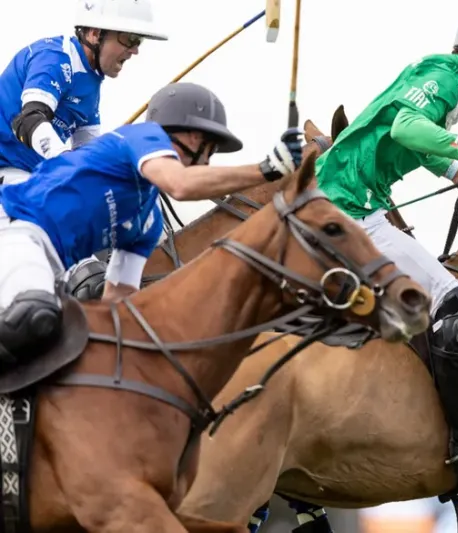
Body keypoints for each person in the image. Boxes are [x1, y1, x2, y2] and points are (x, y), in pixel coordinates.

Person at [313, 3, 458, 476]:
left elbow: (413, 140)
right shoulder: (442, 81)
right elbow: (406, 127)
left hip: (355, 200)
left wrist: (456, 169)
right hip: (349, 206)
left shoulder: (446, 82)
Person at [0, 81, 304, 367]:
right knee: (35, 318)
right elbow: (181, 184)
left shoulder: (147, 223)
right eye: (210, 148)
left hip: (53, 269)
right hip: (13, 227)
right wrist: (266, 170)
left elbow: (117, 302)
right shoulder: (143, 136)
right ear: (192, 137)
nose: (208, 161)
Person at [0, 0, 169, 298]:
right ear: (94, 33)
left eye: (138, 41)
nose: (135, 50)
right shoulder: (55, 57)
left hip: (29, 178)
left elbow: (92, 156)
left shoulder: (92, 87)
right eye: (129, 39)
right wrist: (67, 162)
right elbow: (27, 120)